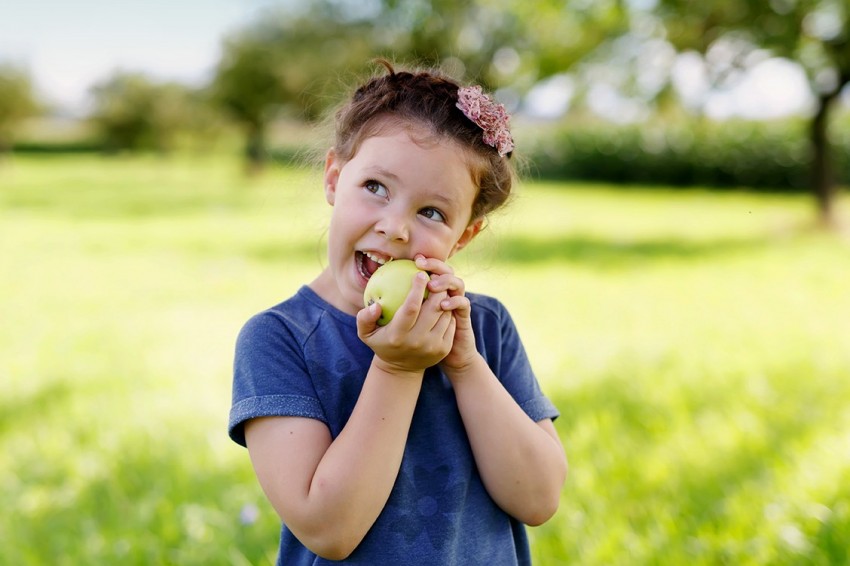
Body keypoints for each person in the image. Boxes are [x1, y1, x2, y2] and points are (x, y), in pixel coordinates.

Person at [228, 60, 567, 565]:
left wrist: (466, 365)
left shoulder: (485, 330)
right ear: (334, 179)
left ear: (463, 236)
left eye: (431, 212)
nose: (396, 228)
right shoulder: (280, 339)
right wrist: (398, 368)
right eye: (376, 188)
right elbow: (329, 528)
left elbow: (538, 499)